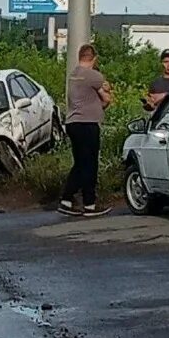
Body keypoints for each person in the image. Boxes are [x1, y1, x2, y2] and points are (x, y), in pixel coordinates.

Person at [58, 44, 113, 217]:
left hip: (73, 123)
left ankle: (67, 199)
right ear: (94, 58)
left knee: (80, 163)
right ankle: (89, 204)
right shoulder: (94, 76)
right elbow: (106, 97)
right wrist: (106, 92)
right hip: (88, 124)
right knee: (90, 164)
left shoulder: (73, 75)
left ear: (79, 57)